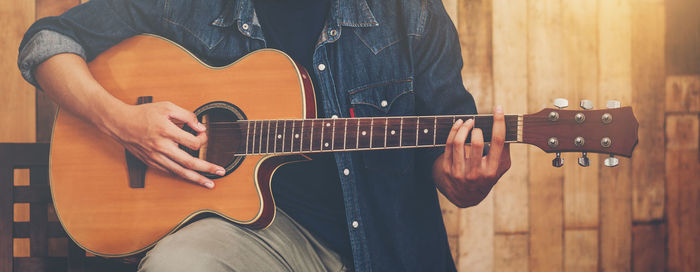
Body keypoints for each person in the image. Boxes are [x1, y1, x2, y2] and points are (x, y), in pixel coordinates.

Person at [17, 0, 511, 271]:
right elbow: (47, 41)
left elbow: (452, 148)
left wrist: (464, 181)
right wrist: (121, 122)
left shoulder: (412, 13)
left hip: (385, 247)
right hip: (254, 236)